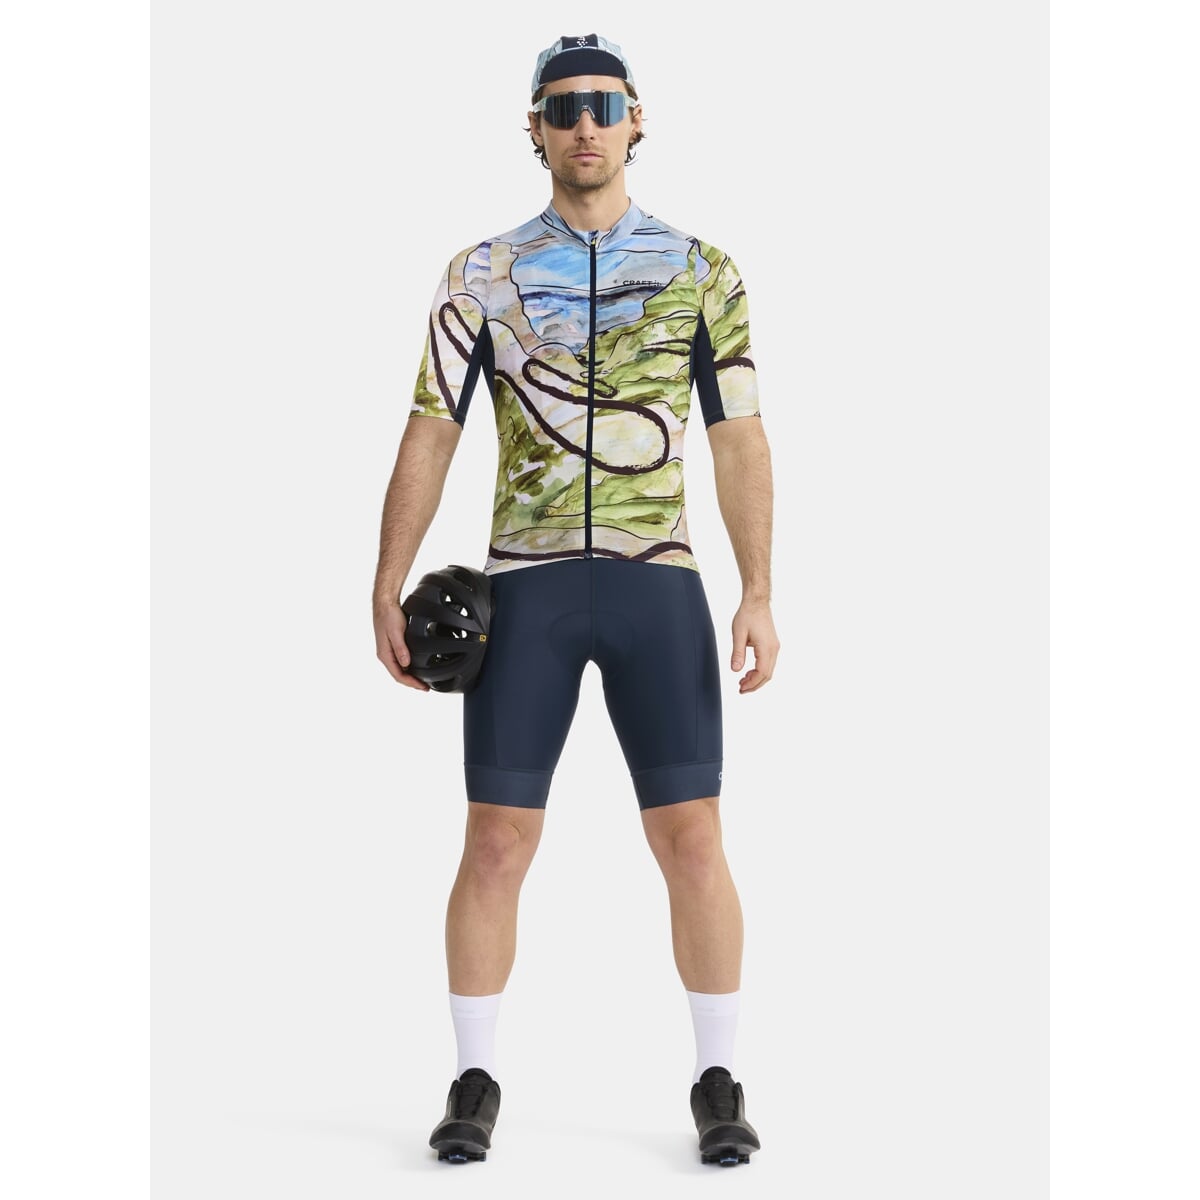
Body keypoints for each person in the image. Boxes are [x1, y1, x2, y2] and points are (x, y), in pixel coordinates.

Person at [372, 33, 779, 1166]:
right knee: (496, 840)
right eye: (562, 109)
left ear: (638, 118)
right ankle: (473, 1078)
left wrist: (759, 589)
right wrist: (385, 581)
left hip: (659, 583)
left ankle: (718, 1078)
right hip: (527, 587)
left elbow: (738, 436)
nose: (584, 125)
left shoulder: (702, 269)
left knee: (692, 838)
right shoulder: (481, 274)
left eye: (602, 105)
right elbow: (432, 429)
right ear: (535, 131)